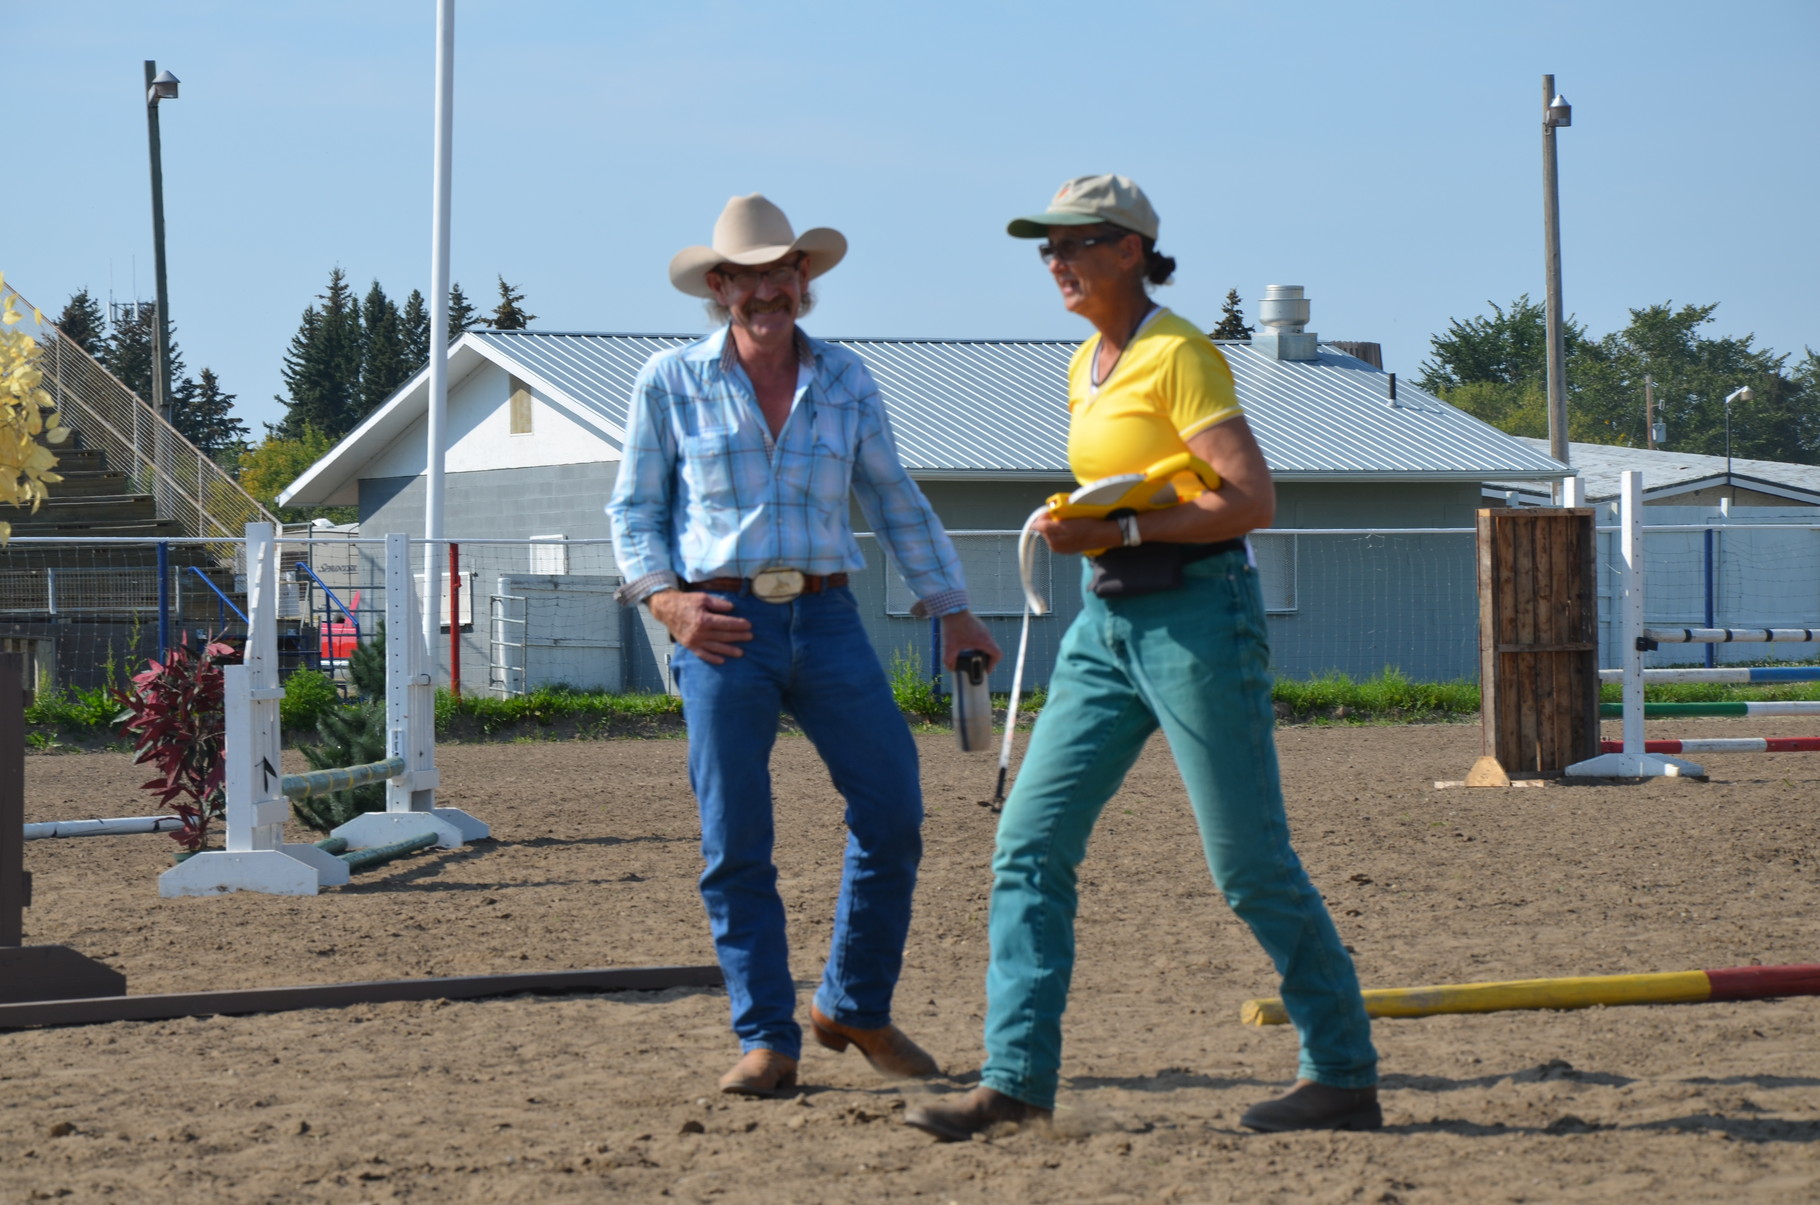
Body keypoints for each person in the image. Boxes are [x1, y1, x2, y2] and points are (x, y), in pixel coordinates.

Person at [905, 175, 1380, 1140]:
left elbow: (1249, 499)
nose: (1055, 261)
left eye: (1073, 243)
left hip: (1201, 614)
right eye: (1046, 247)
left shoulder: (1180, 353)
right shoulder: (1085, 362)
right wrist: (1087, 522)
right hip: (1105, 622)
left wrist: (1116, 527)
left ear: (1130, 249)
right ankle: (1015, 1081)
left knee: (1247, 862)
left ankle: (1341, 1072)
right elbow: (1138, 490)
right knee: (1028, 842)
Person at [607, 193, 1002, 1098]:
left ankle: (853, 1004)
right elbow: (633, 509)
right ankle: (765, 1038)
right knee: (735, 837)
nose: (764, 291)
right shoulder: (668, 381)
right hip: (719, 622)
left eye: (780, 273)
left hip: (827, 616)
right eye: (744, 277)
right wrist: (667, 602)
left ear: (804, 277)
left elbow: (895, 498)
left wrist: (953, 608)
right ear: (718, 286)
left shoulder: (846, 378)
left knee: (893, 811)